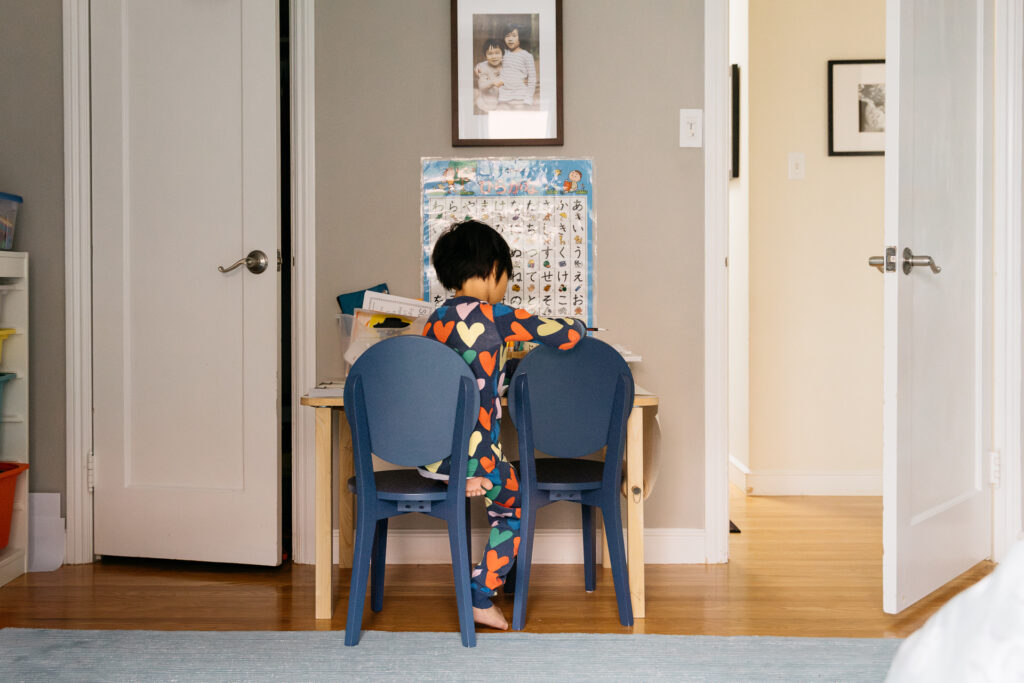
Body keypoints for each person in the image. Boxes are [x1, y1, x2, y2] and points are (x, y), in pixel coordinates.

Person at [421, 220, 585, 630]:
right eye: (506, 277)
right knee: (515, 503)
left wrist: (503, 372)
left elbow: (465, 374)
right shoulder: (497, 315)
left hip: (433, 452)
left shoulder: (433, 320)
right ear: (494, 268)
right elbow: (564, 337)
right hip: (473, 456)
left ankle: (485, 569)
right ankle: (480, 594)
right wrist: (580, 326)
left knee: (503, 489)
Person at [497, 24, 537, 109]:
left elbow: (532, 78)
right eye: (507, 36)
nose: (510, 39)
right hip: (504, 96)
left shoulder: (527, 56)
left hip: (520, 96)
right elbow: (491, 61)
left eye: (514, 36)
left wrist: (528, 99)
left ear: (520, 38)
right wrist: (478, 67)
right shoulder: (503, 53)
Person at [474, 38, 505, 113]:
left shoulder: (506, 65)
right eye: (490, 54)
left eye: (497, 53)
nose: (494, 56)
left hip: (502, 101)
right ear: (485, 55)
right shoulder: (482, 67)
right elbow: (481, 86)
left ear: (502, 54)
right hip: (487, 102)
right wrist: (492, 82)